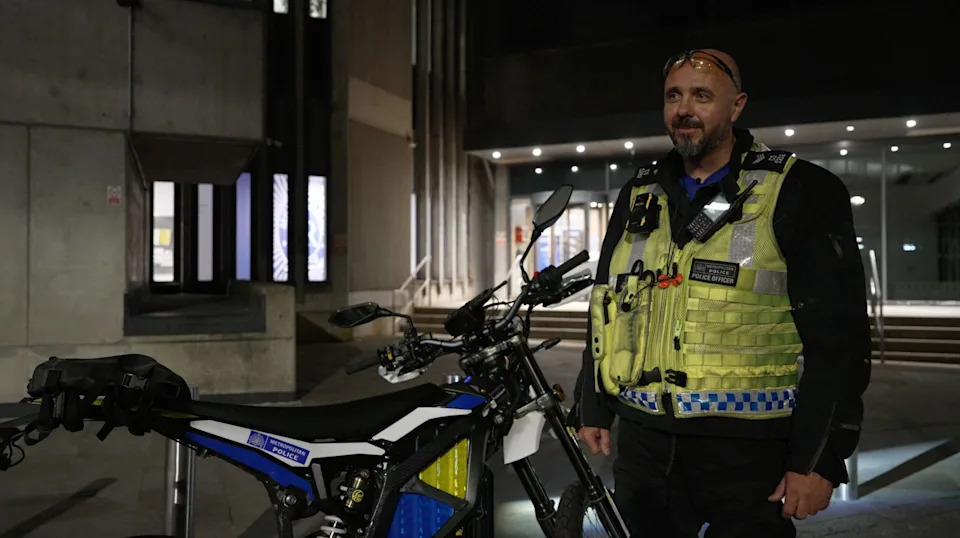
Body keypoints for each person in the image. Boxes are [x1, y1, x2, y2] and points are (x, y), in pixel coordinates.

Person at [572, 49, 872, 537]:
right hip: (646, 448)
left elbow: (839, 340)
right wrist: (594, 405)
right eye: (674, 95)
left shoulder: (799, 190)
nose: (684, 109)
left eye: (702, 95)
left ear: (736, 107)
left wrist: (819, 461)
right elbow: (608, 304)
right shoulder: (638, 193)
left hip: (751, 452)